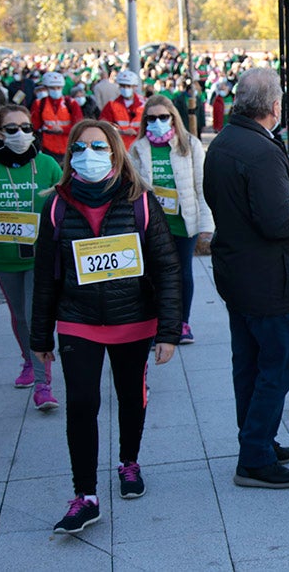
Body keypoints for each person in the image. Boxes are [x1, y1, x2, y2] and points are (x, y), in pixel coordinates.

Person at [31, 119, 182, 534]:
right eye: (79, 148)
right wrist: (40, 336)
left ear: (116, 153)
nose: (88, 156)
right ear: (69, 156)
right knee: (81, 404)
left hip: (133, 320)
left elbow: (168, 268)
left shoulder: (141, 201)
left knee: (131, 396)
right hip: (77, 321)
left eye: (98, 148)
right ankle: (86, 496)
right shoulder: (57, 205)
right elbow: (45, 275)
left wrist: (169, 330)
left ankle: (128, 462)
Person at [203, 67, 289, 490]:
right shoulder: (261, 150)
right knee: (277, 368)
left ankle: (257, 441)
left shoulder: (222, 142)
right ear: (275, 106)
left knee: (249, 367)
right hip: (272, 281)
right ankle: (255, 457)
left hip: (238, 275)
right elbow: (279, 222)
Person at [0, 104, 63, 408]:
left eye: (26, 128)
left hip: (41, 257)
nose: (20, 134)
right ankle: (27, 359)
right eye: (12, 129)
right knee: (19, 316)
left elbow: (65, 206)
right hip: (4, 258)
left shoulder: (47, 165)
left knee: (36, 316)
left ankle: (42, 382)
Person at [129, 95, 214, 345]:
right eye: (151, 118)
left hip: (183, 221)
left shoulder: (190, 144)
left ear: (173, 117)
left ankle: (182, 323)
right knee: (155, 275)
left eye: (163, 117)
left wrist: (206, 226)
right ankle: (160, 324)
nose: (157, 122)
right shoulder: (138, 148)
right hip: (151, 224)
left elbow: (202, 186)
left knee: (181, 273)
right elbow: (132, 189)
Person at [31, 72, 83, 162]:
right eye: (52, 88)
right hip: (47, 147)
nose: (56, 90)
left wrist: (63, 130)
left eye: (58, 87)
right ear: (46, 88)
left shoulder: (71, 103)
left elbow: (79, 126)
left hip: (68, 146)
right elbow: (35, 126)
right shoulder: (39, 104)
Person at [100, 69, 144, 151]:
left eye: (128, 86)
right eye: (123, 86)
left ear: (135, 87)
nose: (125, 89)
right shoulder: (111, 105)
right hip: (120, 147)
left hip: (140, 146)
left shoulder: (144, 104)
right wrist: (121, 132)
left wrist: (137, 132)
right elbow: (104, 125)